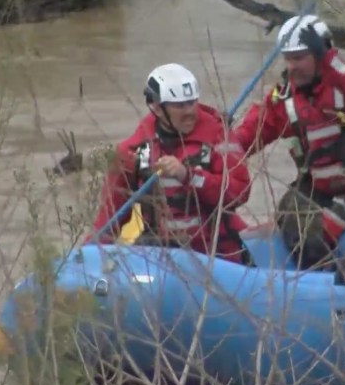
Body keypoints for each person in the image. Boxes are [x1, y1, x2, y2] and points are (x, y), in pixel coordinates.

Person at [233, 14, 345, 273]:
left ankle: (328, 289)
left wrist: (331, 59)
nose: (292, 66)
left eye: (300, 58)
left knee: (309, 230)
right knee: (292, 207)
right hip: (320, 196)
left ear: (321, 55)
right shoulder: (285, 99)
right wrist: (219, 146)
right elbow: (249, 135)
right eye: (288, 58)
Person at [87, 63, 253, 264]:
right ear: (157, 107)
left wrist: (189, 176)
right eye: (179, 106)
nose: (190, 111)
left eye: (192, 102)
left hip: (215, 252)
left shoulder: (219, 136)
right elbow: (109, 218)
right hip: (158, 251)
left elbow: (240, 192)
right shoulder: (132, 151)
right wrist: (87, 257)